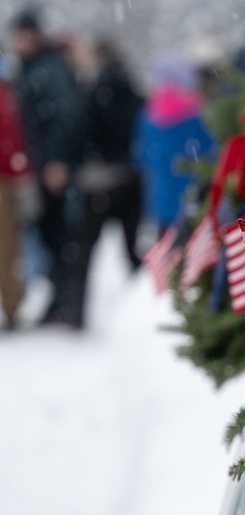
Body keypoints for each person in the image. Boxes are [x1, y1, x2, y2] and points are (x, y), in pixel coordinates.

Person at [9, 7, 84, 328]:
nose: (17, 42)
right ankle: (60, 302)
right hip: (37, 165)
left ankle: (67, 304)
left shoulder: (49, 67)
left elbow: (66, 116)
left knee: (59, 238)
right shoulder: (30, 67)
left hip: (50, 167)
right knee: (50, 237)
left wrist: (57, 161)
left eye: (22, 35)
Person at [77, 38, 145, 279]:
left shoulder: (98, 89)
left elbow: (87, 126)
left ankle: (74, 310)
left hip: (101, 178)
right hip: (130, 175)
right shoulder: (129, 85)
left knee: (84, 250)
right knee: (132, 247)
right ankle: (140, 299)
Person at [135, 57, 215, 235]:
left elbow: (141, 156)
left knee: (167, 252)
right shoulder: (198, 113)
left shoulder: (148, 115)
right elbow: (212, 152)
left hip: (162, 198)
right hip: (195, 197)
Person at [0, 52, 32, 330]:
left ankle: (12, 307)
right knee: (6, 250)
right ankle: (12, 309)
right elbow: (11, 137)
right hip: (4, 181)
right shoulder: (5, 95)